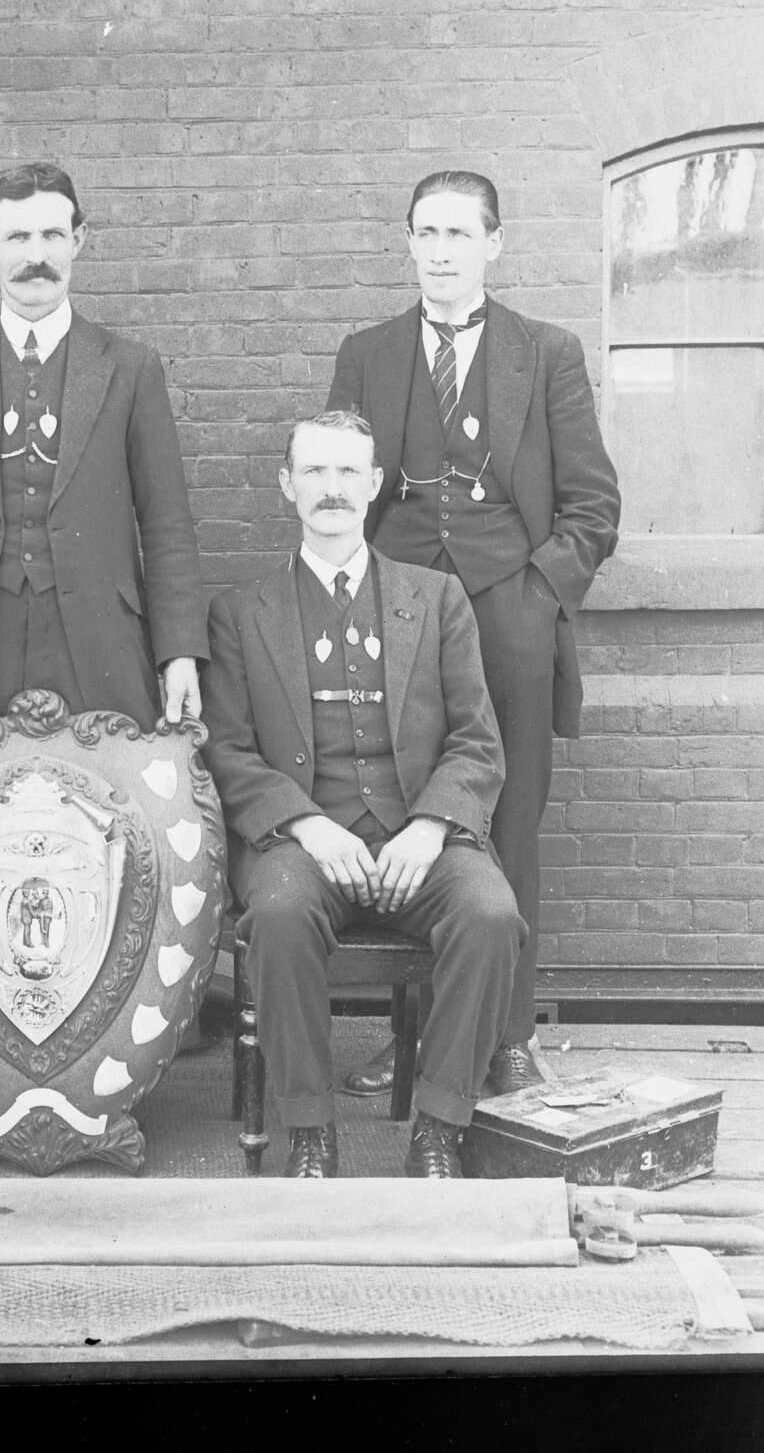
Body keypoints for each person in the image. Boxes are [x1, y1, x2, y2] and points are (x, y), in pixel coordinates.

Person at [325, 170, 619, 1098]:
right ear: (407, 243)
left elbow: (594, 507)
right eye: (425, 233)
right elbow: (340, 489)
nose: (440, 251)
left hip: (509, 611)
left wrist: (536, 595)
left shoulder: (547, 351)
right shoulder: (367, 353)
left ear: (495, 244)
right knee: (409, 814)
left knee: (509, 826)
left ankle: (508, 1037)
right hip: (396, 613)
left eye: (459, 233)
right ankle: (411, 1037)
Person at [203, 410, 526, 1179]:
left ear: (375, 486)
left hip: (420, 837)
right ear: (287, 486)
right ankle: (310, 1131)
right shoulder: (240, 613)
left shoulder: (437, 599)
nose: (332, 489)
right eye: (314, 472)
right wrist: (307, 826)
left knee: (491, 916)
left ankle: (440, 1129)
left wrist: (430, 828)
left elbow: (478, 738)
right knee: (276, 917)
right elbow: (228, 750)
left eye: (348, 472)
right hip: (305, 843)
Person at [0, 161, 208, 730]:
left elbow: (167, 525)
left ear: (78, 241)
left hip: (100, 643)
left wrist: (178, 651)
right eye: (18, 237)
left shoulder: (131, 369)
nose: (37, 255)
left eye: (53, 235)